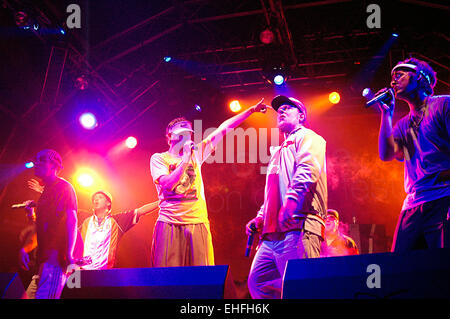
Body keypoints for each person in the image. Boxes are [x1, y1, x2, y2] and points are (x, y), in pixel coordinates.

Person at [150, 99, 267, 267]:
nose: (186, 136)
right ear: (169, 136)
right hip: (169, 222)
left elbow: (223, 129)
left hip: (197, 221)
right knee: (167, 278)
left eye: (188, 133)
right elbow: (167, 184)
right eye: (181, 132)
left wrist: (250, 111)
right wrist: (184, 160)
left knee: (202, 276)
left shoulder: (196, 154)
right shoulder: (159, 158)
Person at [245, 95, 327, 299]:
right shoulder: (278, 151)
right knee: (258, 283)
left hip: (299, 225)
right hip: (272, 232)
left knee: (302, 289)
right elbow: (272, 191)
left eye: (287, 107)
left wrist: (290, 203)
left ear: (301, 115)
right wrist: (261, 216)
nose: (280, 111)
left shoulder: (309, 137)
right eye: (278, 109)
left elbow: (308, 172)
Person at [377, 57, 450, 252]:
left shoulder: (443, 105)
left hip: (443, 196)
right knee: (401, 268)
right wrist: (387, 114)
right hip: (413, 202)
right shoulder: (402, 124)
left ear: (420, 77)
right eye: (392, 77)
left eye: (400, 74)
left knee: (441, 266)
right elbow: (387, 154)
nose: (393, 81)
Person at [22, 149, 78, 299]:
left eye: (42, 160)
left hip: (55, 260)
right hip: (42, 260)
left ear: (54, 166)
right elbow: (43, 226)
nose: (36, 163)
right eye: (36, 159)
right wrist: (31, 215)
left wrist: (68, 254)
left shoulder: (64, 187)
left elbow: (72, 219)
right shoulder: (46, 192)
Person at [79, 190, 159, 269]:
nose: (96, 199)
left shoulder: (117, 221)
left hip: (106, 272)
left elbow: (140, 211)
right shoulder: (84, 219)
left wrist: (162, 202)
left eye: (100, 197)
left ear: (108, 203)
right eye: (94, 199)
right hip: (82, 270)